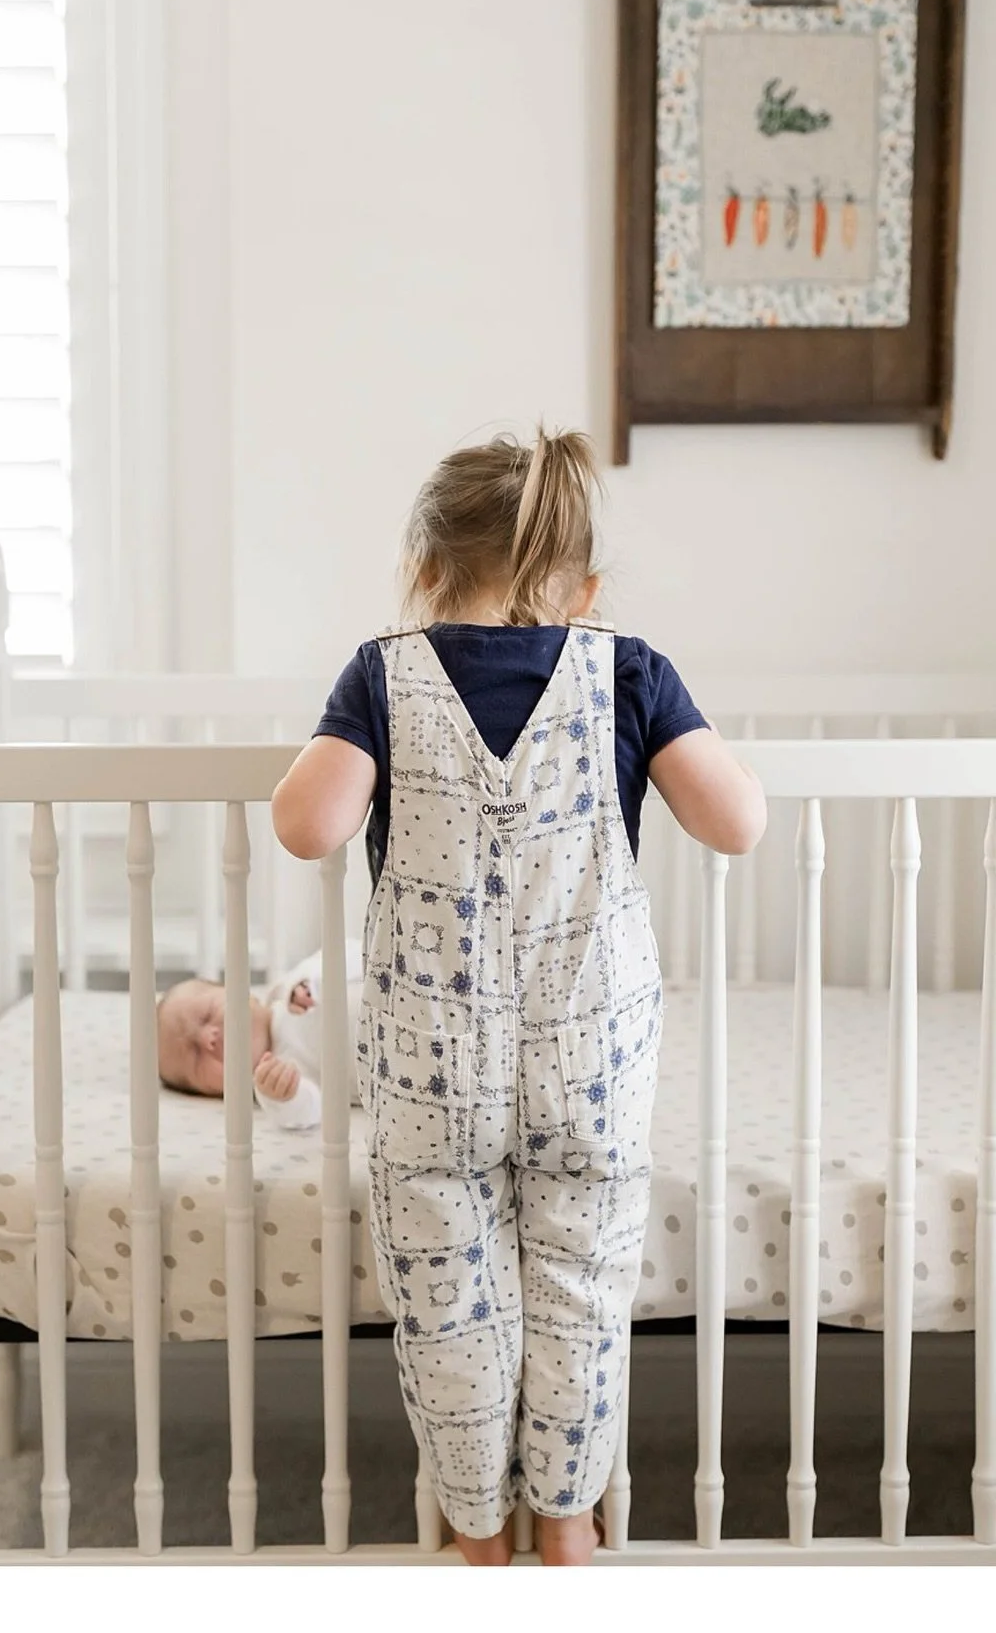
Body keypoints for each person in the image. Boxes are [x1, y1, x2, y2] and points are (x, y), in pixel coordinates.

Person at [270, 426, 766, 1567]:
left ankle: (478, 1531)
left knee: (451, 1301)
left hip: (432, 1072)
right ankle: (569, 1520)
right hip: (590, 1066)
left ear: (425, 570)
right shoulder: (628, 671)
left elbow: (307, 826)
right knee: (581, 1287)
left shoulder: (383, 675)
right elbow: (735, 822)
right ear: (583, 590)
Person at [156, 939, 363, 1129]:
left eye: (207, 1015)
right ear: (210, 1093)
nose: (208, 1039)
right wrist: (286, 1097)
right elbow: (311, 1110)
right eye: (195, 1057)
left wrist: (312, 981)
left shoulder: (286, 990)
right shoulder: (272, 1087)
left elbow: (354, 950)